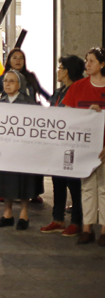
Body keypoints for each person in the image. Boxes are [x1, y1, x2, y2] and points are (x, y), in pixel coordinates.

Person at [39, 54, 86, 237]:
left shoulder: (78, 90)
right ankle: (57, 219)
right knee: (58, 182)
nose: (57, 71)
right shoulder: (59, 92)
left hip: (72, 143)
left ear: (66, 71)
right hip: (57, 143)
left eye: (59, 67)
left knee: (73, 184)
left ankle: (77, 221)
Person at [62, 48, 105, 245]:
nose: (87, 64)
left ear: (102, 64)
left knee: (104, 188)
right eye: (86, 61)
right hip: (85, 147)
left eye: (92, 61)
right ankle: (87, 227)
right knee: (87, 188)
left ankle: (104, 229)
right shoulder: (78, 87)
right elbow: (67, 116)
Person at [0, 70, 43, 231]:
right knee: (5, 181)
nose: (7, 84)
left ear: (20, 85)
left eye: (12, 81)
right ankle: (7, 214)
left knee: (24, 181)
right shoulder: (1, 103)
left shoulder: (29, 103)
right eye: (5, 81)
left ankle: (24, 214)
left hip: (23, 150)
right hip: (5, 150)